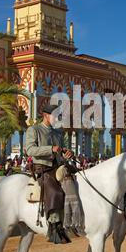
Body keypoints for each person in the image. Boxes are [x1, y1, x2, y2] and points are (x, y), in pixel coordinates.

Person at [25, 104, 74, 244]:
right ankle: (54, 226)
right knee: (54, 191)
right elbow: (30, 150)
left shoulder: (57, 133)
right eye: (55, 116)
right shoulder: (34, 130)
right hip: (43, 169)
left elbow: (60, 154)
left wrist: (67, 154)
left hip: (57, 167)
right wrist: (50, 149)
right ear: (46, 115)